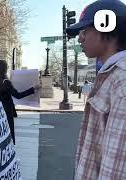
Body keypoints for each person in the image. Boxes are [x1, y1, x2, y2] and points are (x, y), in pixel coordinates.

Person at [66, 0, 126, 179]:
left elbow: (115, 168)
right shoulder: (112, 74)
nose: (80, 38)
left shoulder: (122, 80)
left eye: (84, 31)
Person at [0, 60, 38, 144]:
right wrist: (33, 89)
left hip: (0, 108)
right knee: (10, 134)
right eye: (7, 66)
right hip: (7, 110)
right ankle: (10, 153)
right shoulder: (6, 82)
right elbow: (18, 95)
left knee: (4, 134)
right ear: (5, 68)